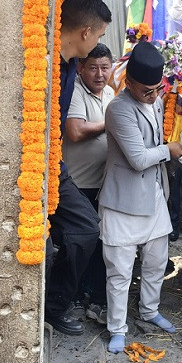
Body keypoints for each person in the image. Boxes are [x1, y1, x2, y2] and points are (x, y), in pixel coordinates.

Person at [99, 41, 182, 354]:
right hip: (123, 202)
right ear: (130, 83)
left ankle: (150, 310)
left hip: (154, 198)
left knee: (156, 263)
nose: (153, 96)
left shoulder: (155, 100)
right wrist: (169, 150)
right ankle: (117, 328)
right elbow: (137, 158)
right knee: (120, 272)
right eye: (146, 91)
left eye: (156, 89)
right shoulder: (119, 109)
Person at [44, 0, 111, 336]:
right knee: (81, 229)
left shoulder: (68, 64)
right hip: (39, 166)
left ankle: (54, 303)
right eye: (99, 35)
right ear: (86, 32)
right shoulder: (44, 63)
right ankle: (53, 304)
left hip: (54, 165)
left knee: (85, 228)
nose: (99, 42)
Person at [63, 43, 115, 325]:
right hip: (78, 183)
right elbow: (75, 131)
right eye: (93, 67)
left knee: (100, 242)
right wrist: (111, 123)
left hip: (104, 183)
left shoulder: (109, 93)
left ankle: (94, 299)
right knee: (79, 243)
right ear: (81, 68)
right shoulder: (74, 91)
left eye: (105, 67)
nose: (99, 74)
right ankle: (70, 298)